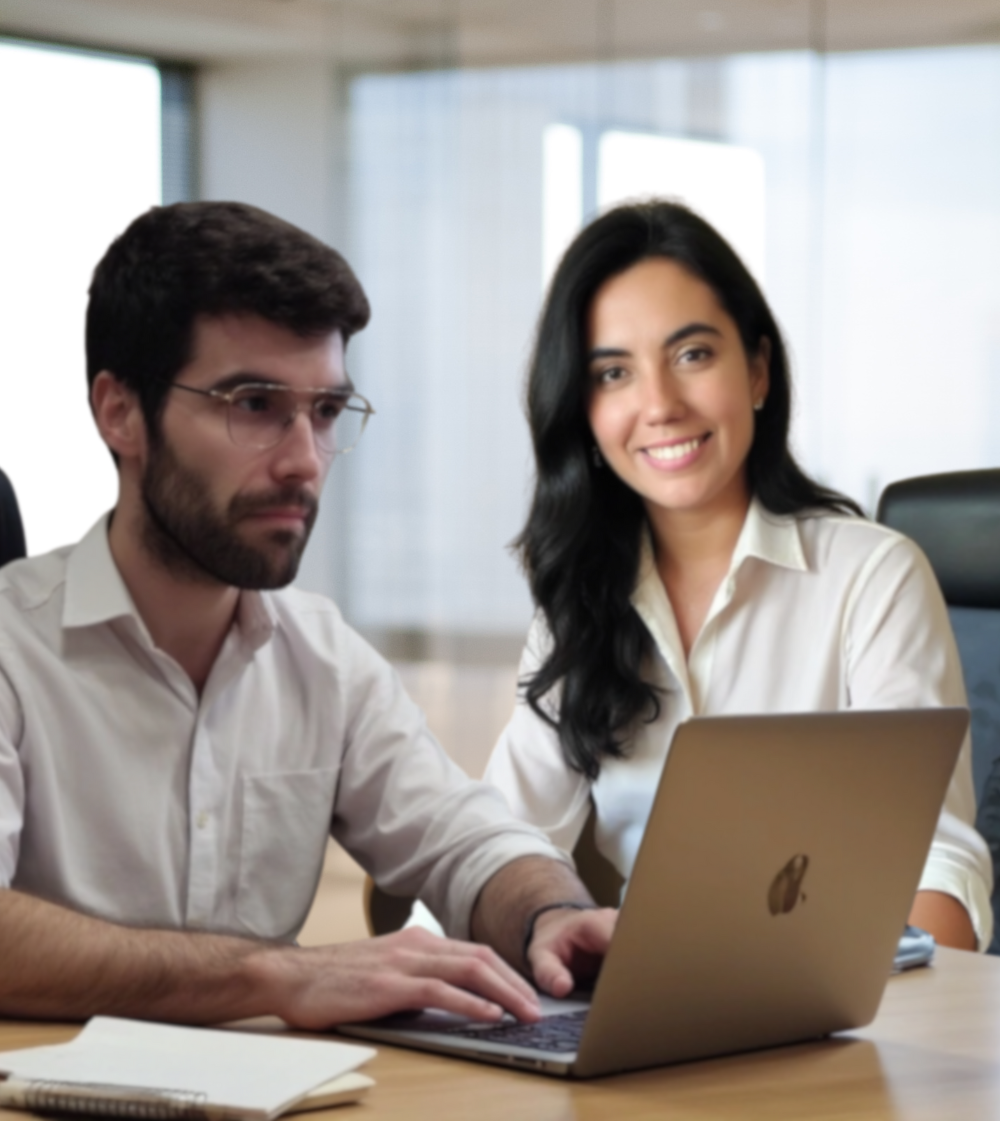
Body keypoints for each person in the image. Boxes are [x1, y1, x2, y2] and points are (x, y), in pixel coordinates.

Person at [0, 201, 615, 1029]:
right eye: (254, 404)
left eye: (325, 412)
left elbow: (466, 839)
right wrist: (276, 978)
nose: (304, 461)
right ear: (120, 413)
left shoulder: (323, 657)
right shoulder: (13, 650)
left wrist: (551, 914)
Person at [482, 199, 992, 952]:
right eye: (615, 373)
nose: (659, 405)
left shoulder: (871, 578)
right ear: (584, 412)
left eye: (692, 355)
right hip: (653, 995)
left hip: (842, 993)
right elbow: (502, 844)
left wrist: (888, 987)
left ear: (757, 371)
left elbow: (935, 861)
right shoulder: (580, 607)